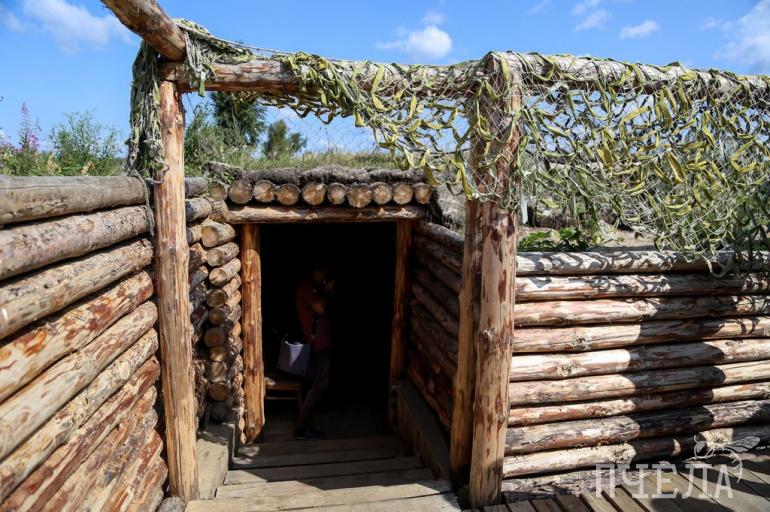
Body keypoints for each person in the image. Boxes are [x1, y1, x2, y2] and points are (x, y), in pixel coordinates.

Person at [293, 262, 335, 440]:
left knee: (318, 382)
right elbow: (320, 307)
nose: (323, 276)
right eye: (321, 273)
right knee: (319, 384)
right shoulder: (307, 287)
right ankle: (302, 427)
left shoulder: (313, 287)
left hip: (323, 340)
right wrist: (327, 291)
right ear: (314, 272)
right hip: (319, 341)